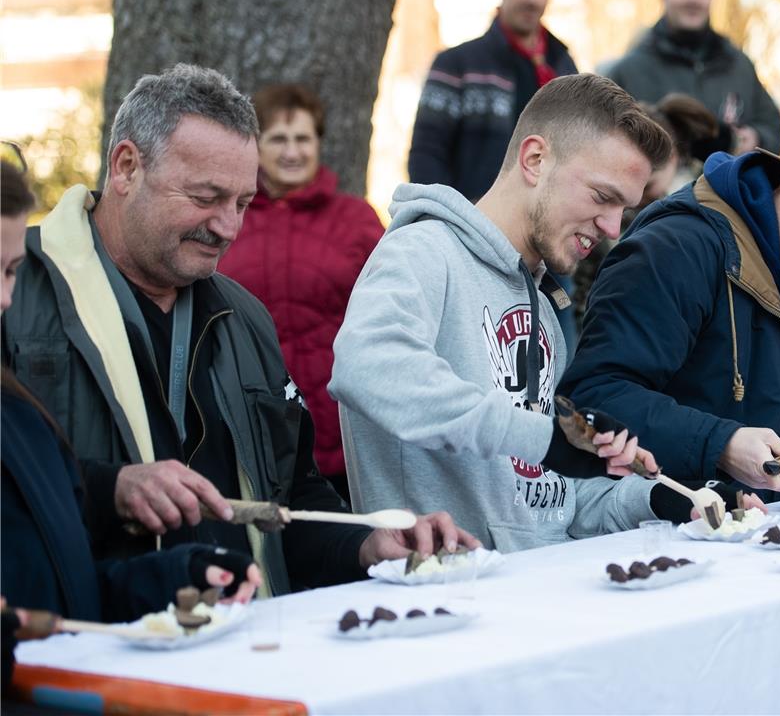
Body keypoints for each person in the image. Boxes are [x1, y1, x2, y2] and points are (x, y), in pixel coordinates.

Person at [0, 65, 476, 598]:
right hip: (80, 653)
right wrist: (109, 489)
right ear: (126, 167)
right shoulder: (15, 292)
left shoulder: (245, 318)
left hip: (240, 646)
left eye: (243, 203)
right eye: (206, 197)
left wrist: (364, 544)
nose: (228, 226)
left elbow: (291, 496)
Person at [333, 74, 749, 551]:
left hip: (542, 595)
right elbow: (366, 366)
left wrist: (662, 500)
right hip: (448, 596)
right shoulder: (423, 251)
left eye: (625, 207)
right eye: (602, 197)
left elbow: (554, 504)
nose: (614, 228)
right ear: (535, 159)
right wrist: (547, 438)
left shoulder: (545, 305)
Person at [561, 122, 780, 500]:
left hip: (756, 535)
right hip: (649, 536)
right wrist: (721, 444)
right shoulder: (677, 250)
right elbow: (594, 397)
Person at [1, 158, 259, 689]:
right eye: (206, 195)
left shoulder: (19, 415)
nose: (7, 298)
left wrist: (180, 576)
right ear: (125, 169)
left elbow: (72, 593)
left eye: (10, 273)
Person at [217, 84, 383, 501]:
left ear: (318, 143)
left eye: (303, 139)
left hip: (341, 432)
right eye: (278, 139)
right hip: (251, 424)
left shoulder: (355, 220)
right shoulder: (228, 219)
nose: (292, 151)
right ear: (255, 146)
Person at [408, 0, 577, 203]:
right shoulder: (455, 65)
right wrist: (453, 222)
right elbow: (426, 158)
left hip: (544, 229)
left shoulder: (564, 68)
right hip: (472, 225)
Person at [606, 0, 780, 156]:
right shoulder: (629, 70)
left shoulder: (739, 65)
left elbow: (773, 128)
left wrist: (756, 138)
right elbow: (605, 142)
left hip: (727, 186)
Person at [571, 92, 718, 328]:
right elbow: (584, 284)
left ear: (673, 158)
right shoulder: (615, 214)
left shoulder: (709, 197)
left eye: (647, 186)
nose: (635, 198)